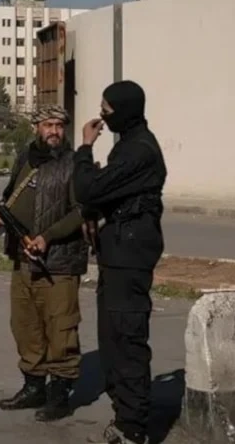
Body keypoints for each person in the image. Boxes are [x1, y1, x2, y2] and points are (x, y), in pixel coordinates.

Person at [73, 80, 167, 444]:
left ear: (125, 110)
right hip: (118, 254)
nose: (102, 117)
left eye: (106, 110)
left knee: (126, 341)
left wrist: (84, 147)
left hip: (129, 258)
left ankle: (133, 429)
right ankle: (124, 419)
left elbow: (88, 188)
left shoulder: (138, 151)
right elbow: (104, 194)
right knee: (112, 341)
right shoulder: (128, 145)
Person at [0, 104, 90, 423]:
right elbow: (9, 198)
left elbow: (81, 210)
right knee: (25, 325)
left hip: (58, 261)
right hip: (22, 259)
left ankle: (59, 395)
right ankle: (34, 387)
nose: (54, 131)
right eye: (48, 125)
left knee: (61, 328)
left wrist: (48, 237)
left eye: (60, 126)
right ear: (37, 128)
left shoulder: (74, 164)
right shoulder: (25, 159)